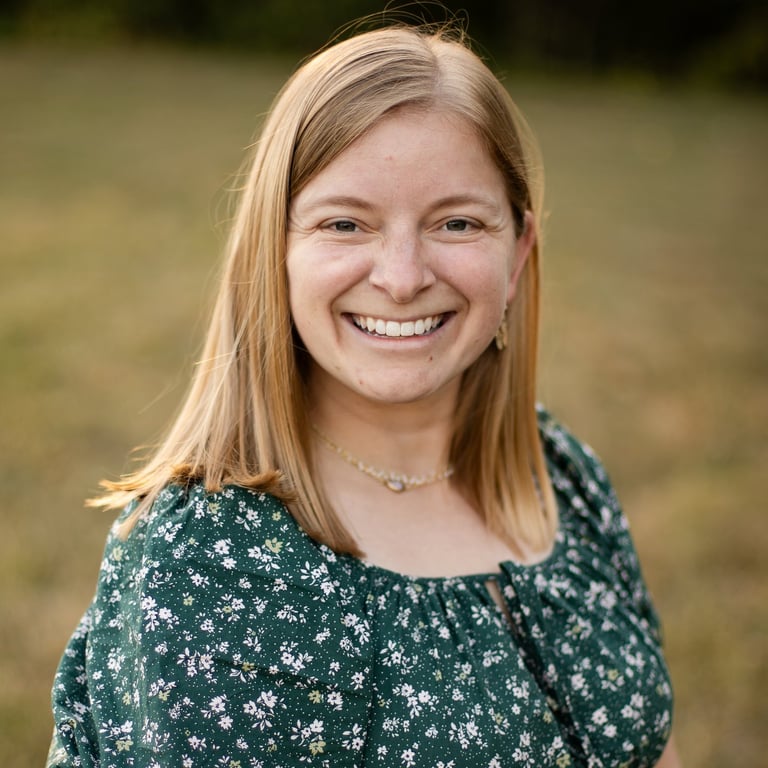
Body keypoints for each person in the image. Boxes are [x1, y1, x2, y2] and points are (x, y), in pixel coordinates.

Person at [47, 21, 681, 768]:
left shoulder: (564, 478)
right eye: (345, 223)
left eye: (457, 222)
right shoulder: (204, 558)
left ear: (517, 256)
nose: (403, 276)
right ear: (273, 253)